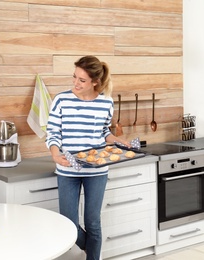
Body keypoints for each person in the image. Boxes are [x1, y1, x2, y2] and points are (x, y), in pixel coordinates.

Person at [45, 56, 130, 260]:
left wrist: (116, 139)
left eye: (82, 80)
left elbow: (102, 132)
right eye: (74, 77)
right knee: (69, 223)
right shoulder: (61, 100)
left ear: (95, 82)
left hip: (96, 170)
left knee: (93, 222)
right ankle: (92, 251)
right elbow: (53, 132)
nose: (76, 83)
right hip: (68, 169)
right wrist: (55, 154)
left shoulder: (106, 102)